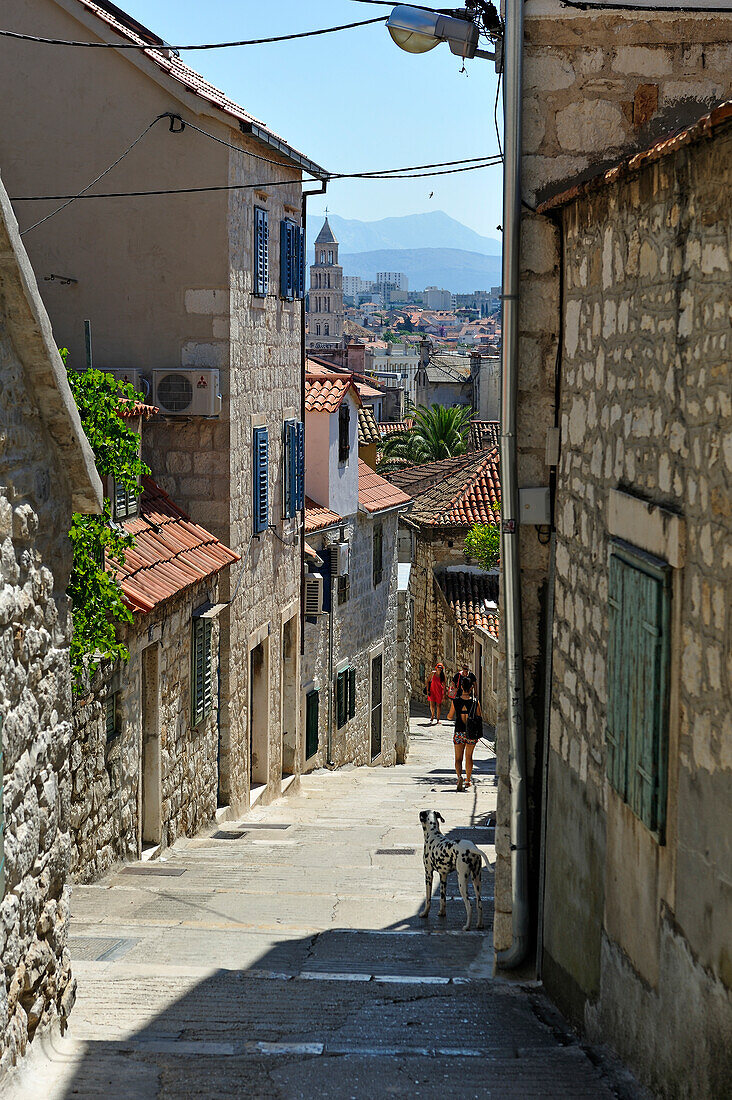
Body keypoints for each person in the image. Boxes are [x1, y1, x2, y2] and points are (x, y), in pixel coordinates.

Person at [447, 667, 481, 791]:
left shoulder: (456, 701)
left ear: (461, 687)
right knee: (469, 757)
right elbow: (479, 717)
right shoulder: (475, 702)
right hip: (471, 733)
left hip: (459, 731)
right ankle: (468, 780)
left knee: (458, 758)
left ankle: (459, 777)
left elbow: (450, 717)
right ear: (471, 687)